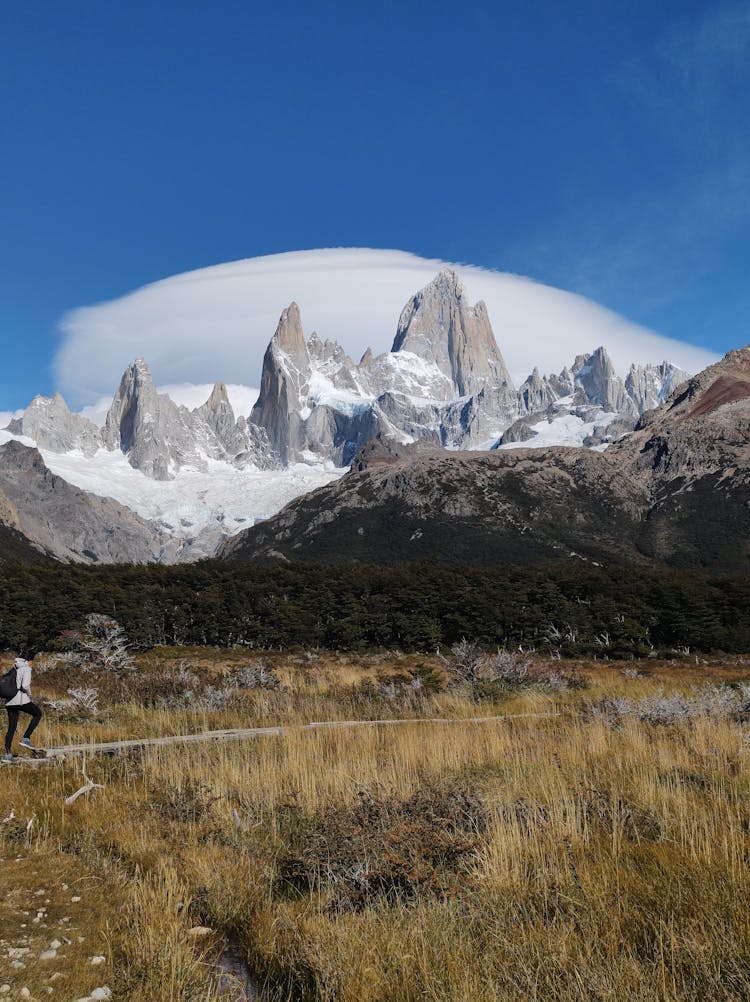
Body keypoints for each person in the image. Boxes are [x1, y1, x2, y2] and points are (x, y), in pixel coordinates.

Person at [3, 656, 43, 761]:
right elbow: (25, 685)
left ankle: (7, 753)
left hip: (9, 701)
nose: (33, 664)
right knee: (38, 714)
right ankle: (26, 738)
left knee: (11, 727)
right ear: (28, 661)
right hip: (20, 700)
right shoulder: (26, 668)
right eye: (32, 661)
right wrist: (29, 695)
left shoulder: (15, 668)